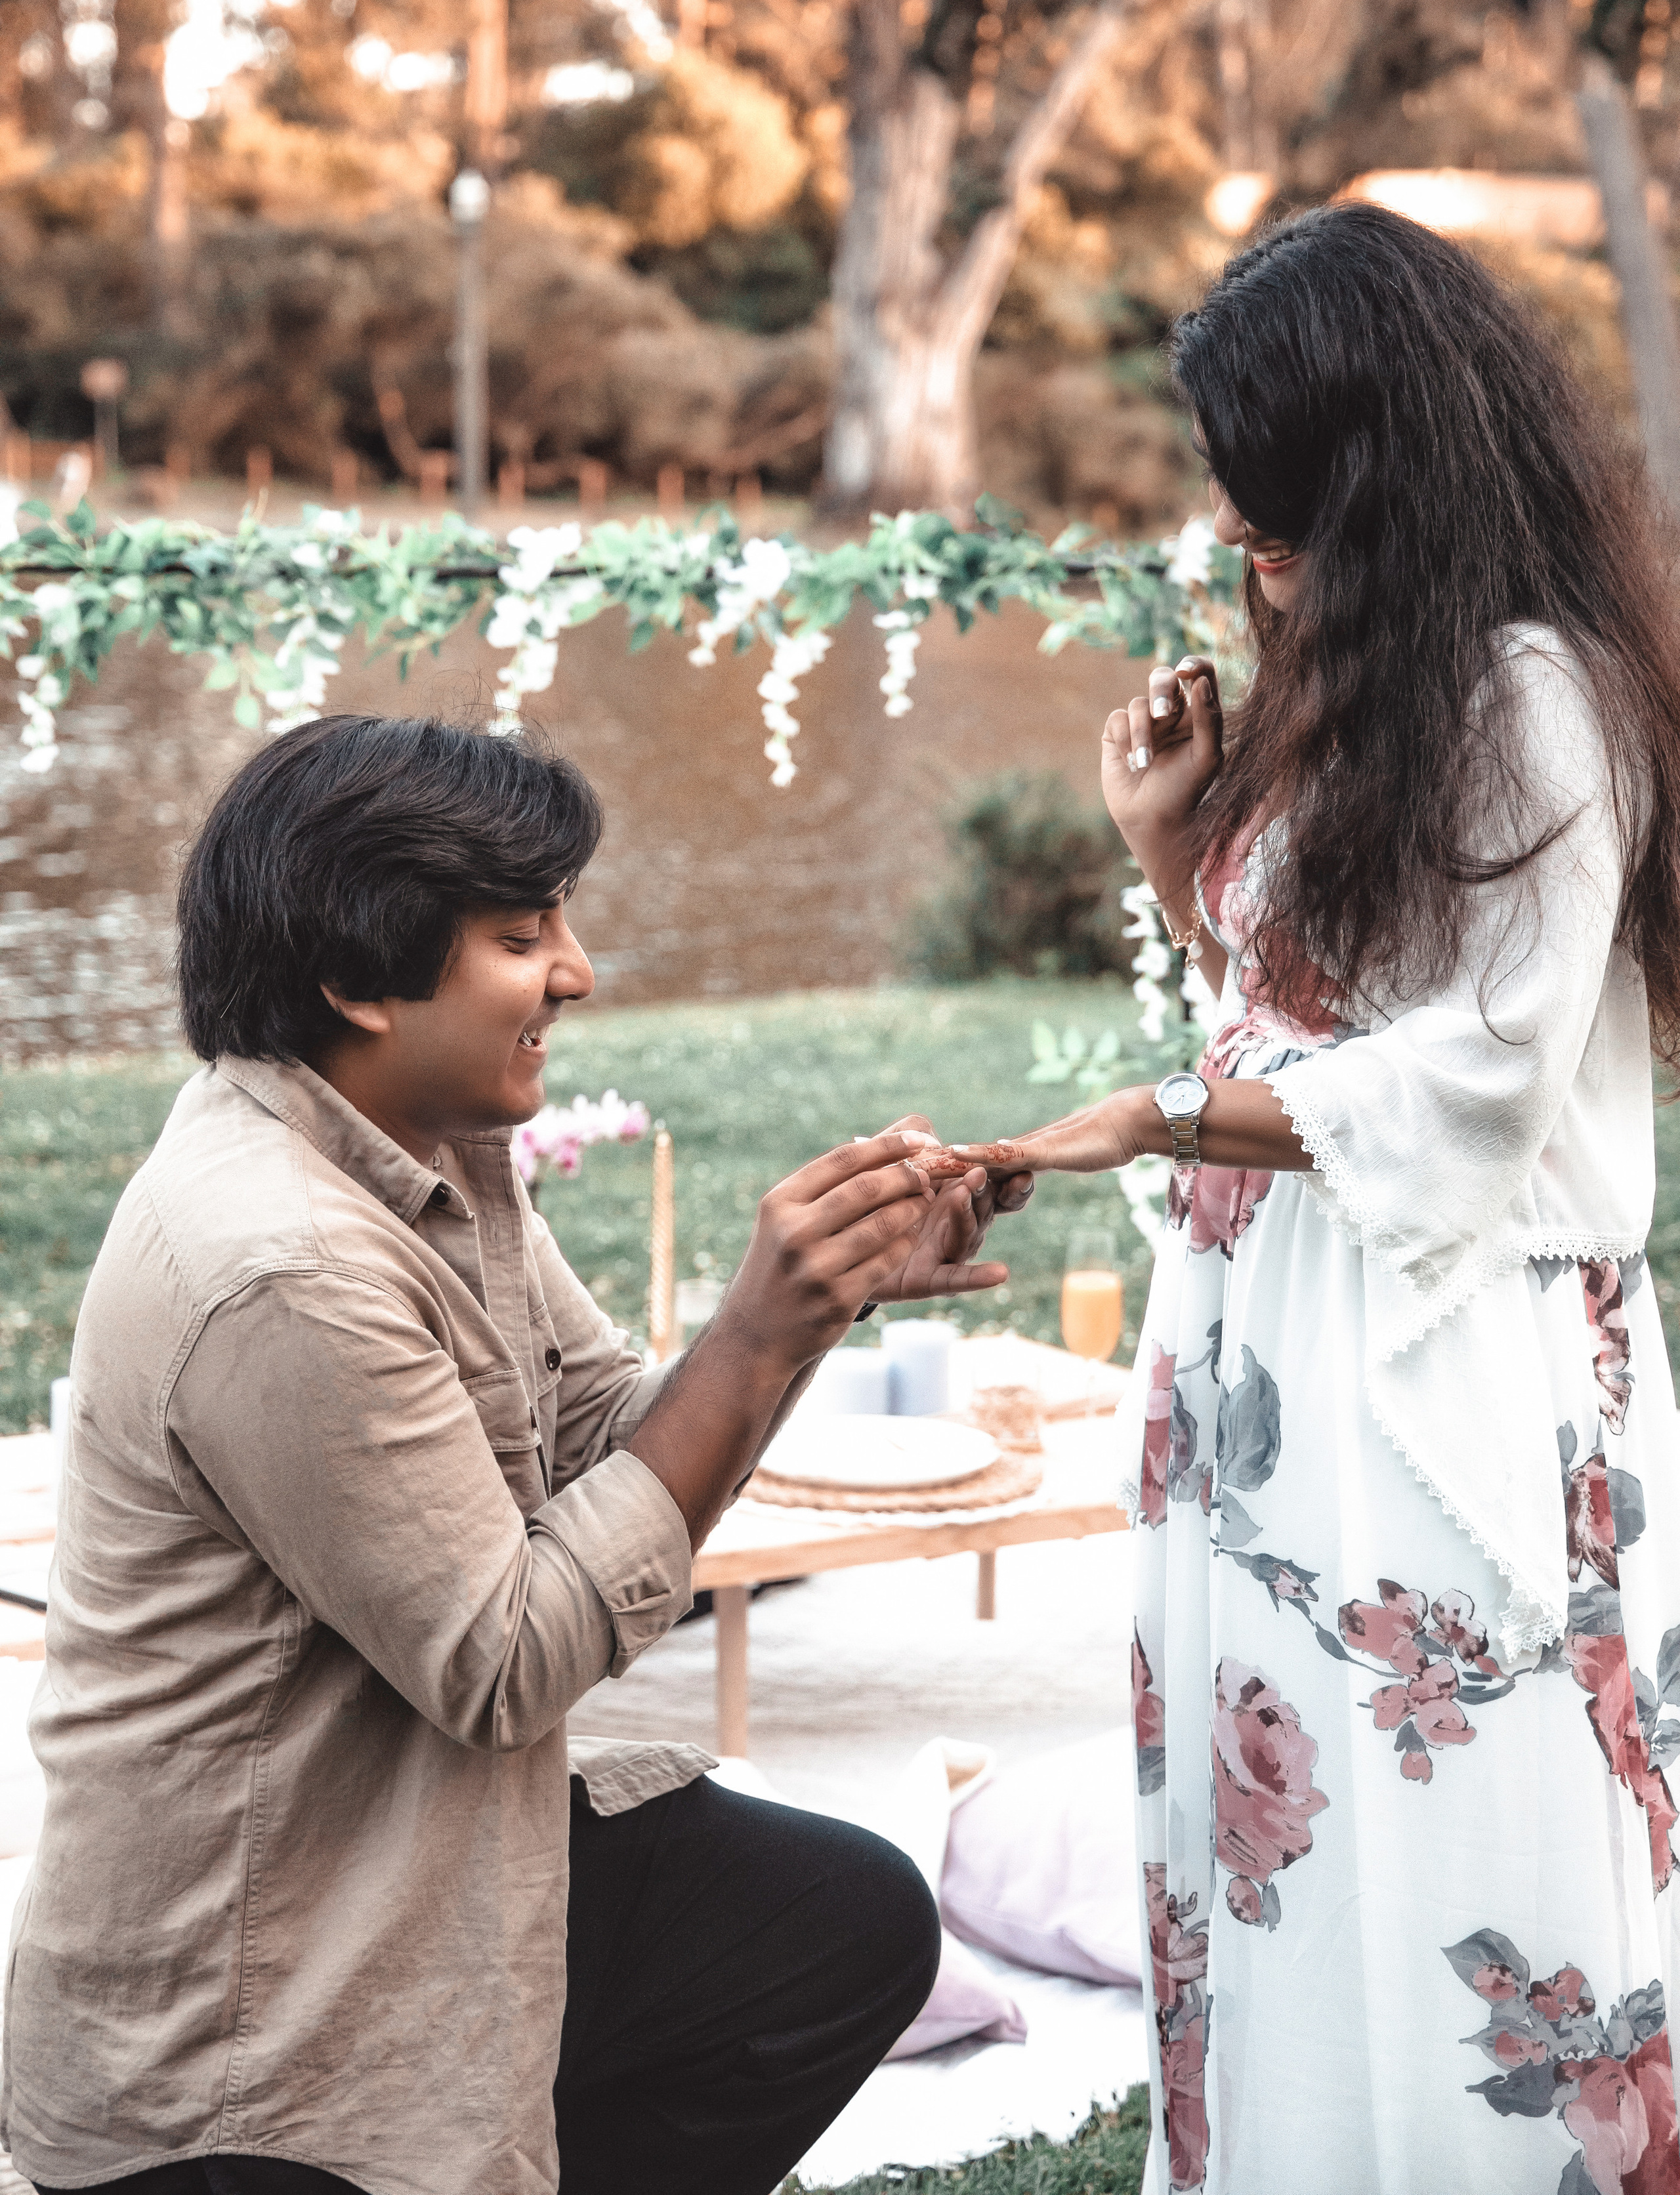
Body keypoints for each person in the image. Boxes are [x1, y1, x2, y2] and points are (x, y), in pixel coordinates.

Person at [1, 714, 1032, 2195]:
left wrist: (819, 1302)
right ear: (356, 979)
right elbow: (505, 1665)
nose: (577, 971)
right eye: (520, 935)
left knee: (839, 1923)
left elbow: (605, 1436)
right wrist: (753, 1334)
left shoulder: (424, 1145)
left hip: (416, 1850)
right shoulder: (281, 1265)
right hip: (246, 2022)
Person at [963, 203, 1680, 2192]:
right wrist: (1173, 843)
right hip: (1268, 1328)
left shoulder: (1537, 697)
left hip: (1438, 1333)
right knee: (1283, 1810)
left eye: (1261, 482)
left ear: (1371, 463)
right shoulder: (1370, 674)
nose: (1231, 523)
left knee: (1455, 1815)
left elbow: (1472, 1080)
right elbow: (1306, 1013)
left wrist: (1155, 1119)